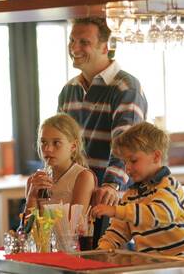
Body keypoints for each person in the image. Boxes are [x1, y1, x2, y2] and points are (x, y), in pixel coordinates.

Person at [57, 17, 148, 244]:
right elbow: (58, 142)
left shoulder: (125, 86)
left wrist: (111, 184)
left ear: (105, 47)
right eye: (72, 40)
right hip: (73, 200)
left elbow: (127, 144)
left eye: (84, 42)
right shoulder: (68, 90)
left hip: (109, 202)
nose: (74, 48)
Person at [91, 122, 184, 256]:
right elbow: (117, 232)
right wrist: (101, 252)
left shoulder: (169, 186)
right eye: (125, 162)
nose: (127, 168)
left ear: (156, 157)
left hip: (181, 263)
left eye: (133, 161)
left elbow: (158, 214)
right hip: (150, 265)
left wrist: (115, 210)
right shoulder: (130, 195)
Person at [25, 113, 96, 214]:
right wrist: (32, 196)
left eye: (56, 143)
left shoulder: (83, 177)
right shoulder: (34, 182)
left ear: (73, 146)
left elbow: (74, 226)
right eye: (43, 142)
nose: (47, 149)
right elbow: (26, 228)